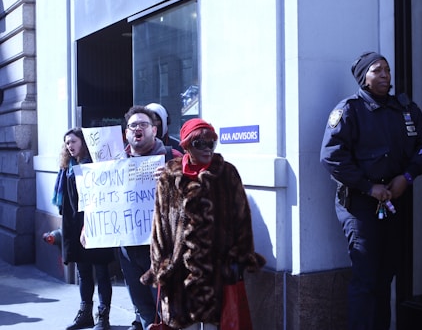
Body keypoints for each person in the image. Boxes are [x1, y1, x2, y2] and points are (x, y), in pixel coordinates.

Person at [319, 51, 422, 330]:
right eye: (377, 70)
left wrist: (406, 176)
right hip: (360, 206)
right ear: (363, 77)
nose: (385, 75)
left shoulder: (406, 109)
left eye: (387, 69)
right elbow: (331, 157)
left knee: (386, 276)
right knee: (366, 278)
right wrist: (368, 186)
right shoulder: (349, 110)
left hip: (395, 201)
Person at [140, 118, 266, 330]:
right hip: (179, 271)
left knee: (213, 325)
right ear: (187, 145)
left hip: (216, 270)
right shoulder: (169, 176)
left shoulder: (227, 173)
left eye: (211, 144)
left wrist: (237, 259)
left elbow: (242, 220)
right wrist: (161, 265)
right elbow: (159, 226)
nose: (207, 149)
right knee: (184, 325)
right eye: (201, 144)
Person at [118, 106, 183, 330]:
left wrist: (173, 175)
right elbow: (100, 201)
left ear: (154, 130)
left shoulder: (172, 156)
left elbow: (197, 189)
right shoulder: (115, 161)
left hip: (161, 249)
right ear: (126, 133)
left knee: (167, 308)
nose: (138, 129)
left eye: (143, 125)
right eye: (133, 126)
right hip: (128, 248)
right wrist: (89, 226)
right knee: (143, 307)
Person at [52, 127, 115, 330]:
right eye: (67, 143)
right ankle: (85, 314)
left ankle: (103, 317)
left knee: (101, 272)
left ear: (83, 142)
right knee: (83, 272)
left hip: (94, 223)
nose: (70, 146)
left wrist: (89, 225)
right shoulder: (67, 167)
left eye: (73, 141)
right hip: (73, 224)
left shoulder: (95, 164)